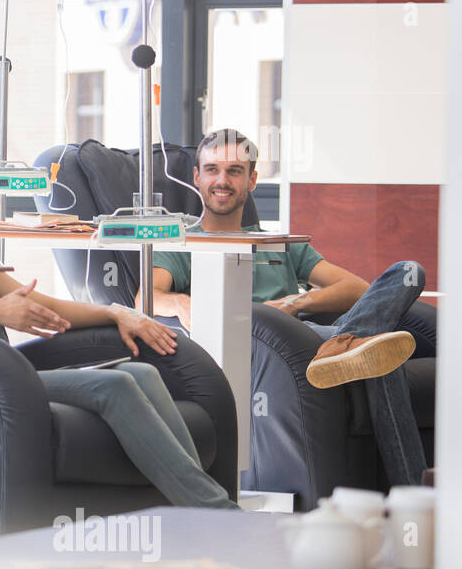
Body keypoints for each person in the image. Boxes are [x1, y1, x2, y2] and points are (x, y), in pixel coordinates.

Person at [0, 108, 237, 510]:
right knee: (113, 386)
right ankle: (216, 512)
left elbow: (36, 303)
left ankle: (189, 505)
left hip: (3, 370)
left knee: (143, 373)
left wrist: (115, 313)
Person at [142, 128, 428, 490]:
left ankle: (345, 341)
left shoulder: (278, 241)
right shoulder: (183, 243)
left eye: (234, 170)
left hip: (309, 329)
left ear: (252, 179)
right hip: (270, 346)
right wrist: (183, 302)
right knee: (381, 349)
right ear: (197, 177)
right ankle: (414, 493)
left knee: (407, 272)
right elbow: (147, 298)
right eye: (212, 169)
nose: (222, 180)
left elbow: (356, 288)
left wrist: (296, 302)